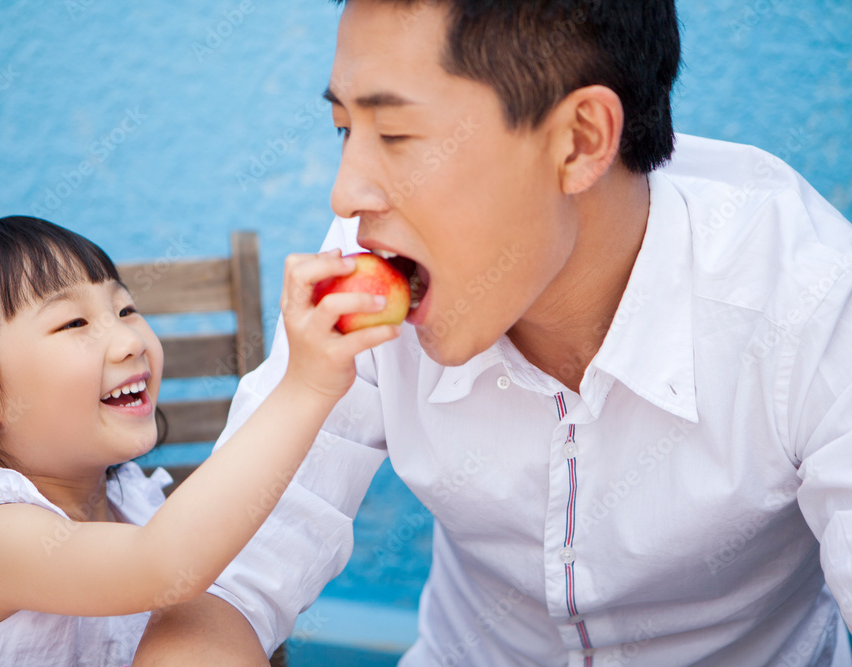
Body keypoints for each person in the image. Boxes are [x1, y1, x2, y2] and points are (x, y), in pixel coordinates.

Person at [132, 1, 852, 666]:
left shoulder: (808, 298)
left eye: (397, 134)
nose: (347, 194)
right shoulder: (376, 263)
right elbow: (226, 579)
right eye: (346, 130)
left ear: (579, 140)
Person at [0, 215, 399, 666]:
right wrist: (304, 388)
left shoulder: (133, 501)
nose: (131, 341)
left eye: (125, 310)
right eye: (74, 322)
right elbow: (166, 565)